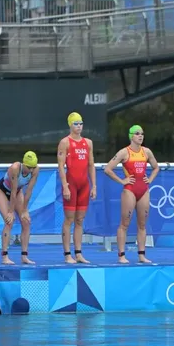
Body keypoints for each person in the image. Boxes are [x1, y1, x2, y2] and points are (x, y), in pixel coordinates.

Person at [104, 125, 159, 264]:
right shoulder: (124, 152)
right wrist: (122, 181)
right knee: (125, 224)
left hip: (143, 190)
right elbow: (108, 169)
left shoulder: (146, 152)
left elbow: (156, 167)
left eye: (142, 133)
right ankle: (121, 255)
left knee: (142, 225)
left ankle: (141, 255)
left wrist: (150, 179)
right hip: (130, 190)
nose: (140, 136)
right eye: (137, 133)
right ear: (131, 136)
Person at [57, 112, 96, 264]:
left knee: (80, 220)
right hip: (71, 184)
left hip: (84, 185)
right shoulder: (65, 142)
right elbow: (61, 166)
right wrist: (65, 186)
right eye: (76, 124)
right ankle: (67, 254)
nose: (79, 126)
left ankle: (78, 253)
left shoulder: (88, 143)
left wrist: (94, 186)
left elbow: (91, 165)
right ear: (70, 125)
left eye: (81, 123)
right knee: (69, 219)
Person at [0, 152, 40, 265]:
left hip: (18, 192)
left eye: (33, 167)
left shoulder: (36, 170)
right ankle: (4, 256)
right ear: (24, 164)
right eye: (29, 167)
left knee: (26, 222)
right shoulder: (15, 168)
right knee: (9, 221)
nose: (31, 170)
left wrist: (25, 210)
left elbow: (28, 191)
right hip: (2, 191)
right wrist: (10, 211)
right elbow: (12, 192)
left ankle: (24, 256)